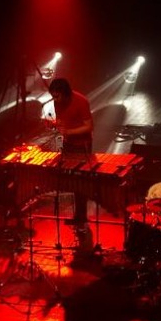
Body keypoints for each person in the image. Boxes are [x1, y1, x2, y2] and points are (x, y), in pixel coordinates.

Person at [48, 77, 94, 227]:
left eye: (57, 96)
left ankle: (82, 216)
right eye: (53, 96)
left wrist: (69, 131)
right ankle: (78, 216)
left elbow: (89, 127)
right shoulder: (57, 102)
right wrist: (55, 124)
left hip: (82, 146)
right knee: (73, 182)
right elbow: (62, 121)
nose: (54, 99)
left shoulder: (81, 101)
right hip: (69, 145)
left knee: (81, 183)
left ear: (66, 93)